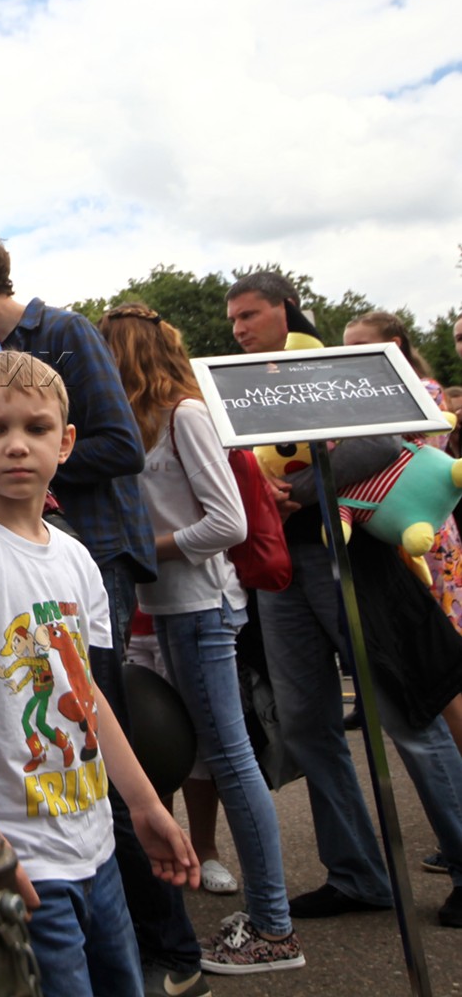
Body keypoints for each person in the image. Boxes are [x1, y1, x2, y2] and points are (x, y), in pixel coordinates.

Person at [0, 224, 202, 992]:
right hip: (22, 860)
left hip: (97, 853)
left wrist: (145, 805)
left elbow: (88, 696)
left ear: (66, 441)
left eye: (35, 429)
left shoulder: (78, 556)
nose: (16, 446)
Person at [225, 271, 462, 926]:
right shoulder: (243, 384)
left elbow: (384, 440)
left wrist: (297, 495)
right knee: (304, 724)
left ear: (286, 310)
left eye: (251, 315)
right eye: (234, 319)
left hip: (348, 557)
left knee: (407, 714)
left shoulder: (327, 365)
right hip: (281, 568)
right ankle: (356, 872)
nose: (240, 328)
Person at [98, 304, 304, 974]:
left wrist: (141, 549)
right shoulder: (140, 424)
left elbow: (229, 522)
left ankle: (275, 929)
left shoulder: (186, 416)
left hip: (202, 607)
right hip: (164, 610)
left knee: (229, 758)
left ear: (124, 355)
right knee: (203, 757)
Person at [343, 311, 462, 634]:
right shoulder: (364, 396)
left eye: (361, 345)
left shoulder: (426, 391)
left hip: (427, 520)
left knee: (443, 623)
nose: (353, 355)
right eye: (346, 348)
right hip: (385, 525)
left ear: (394, 344)